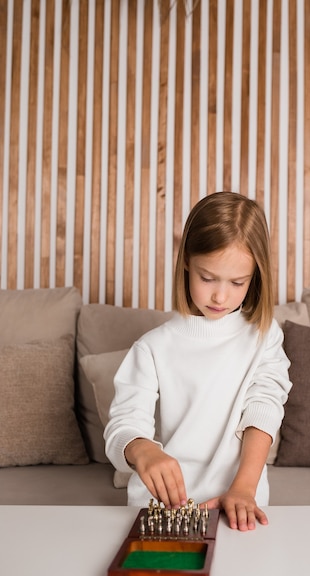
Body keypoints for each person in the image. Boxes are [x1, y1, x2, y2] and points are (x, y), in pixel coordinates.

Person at [104, 191, 292, 531]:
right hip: (163, 512)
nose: (221, 296)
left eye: (238, 282)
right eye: (208, 278)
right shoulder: (152, 347)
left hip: (242, 505)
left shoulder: (265, 337)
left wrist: (244, 489)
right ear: (187, 262)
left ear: (256, 276)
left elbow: (264, 407)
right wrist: (141, 449)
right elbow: (122, 426)